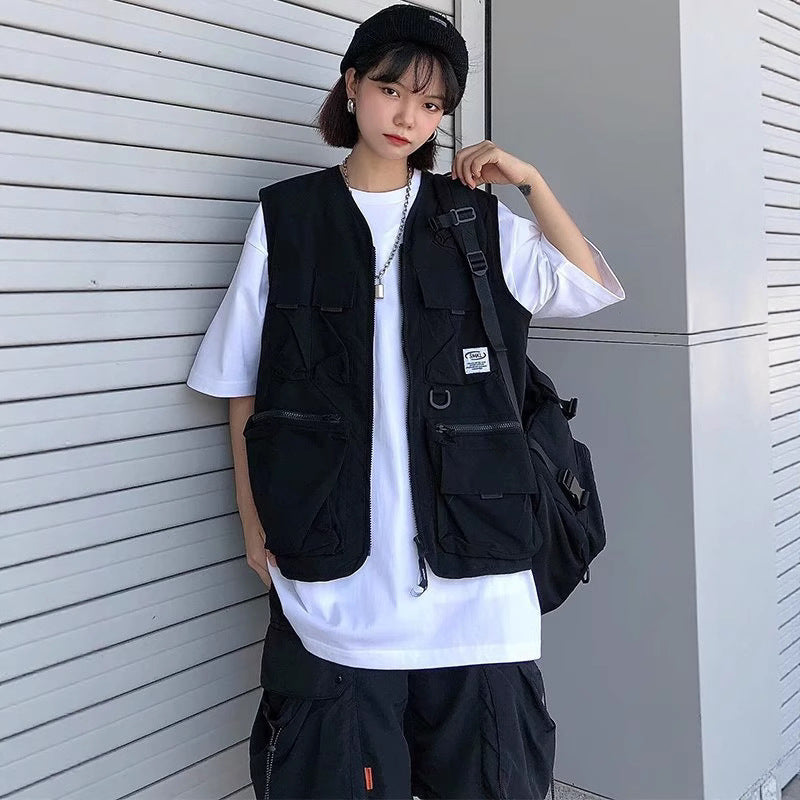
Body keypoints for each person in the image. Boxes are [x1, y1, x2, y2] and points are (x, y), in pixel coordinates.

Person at [186, 5, 625, 798]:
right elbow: (240, 381)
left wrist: (530, 182)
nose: (408, 118)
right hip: (337, 585)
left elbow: (588, 286)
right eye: (392, 90)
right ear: (353, 85)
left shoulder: (473, 218)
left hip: (478, 588)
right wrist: (252, 520)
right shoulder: (290, 218)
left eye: (431, 104)